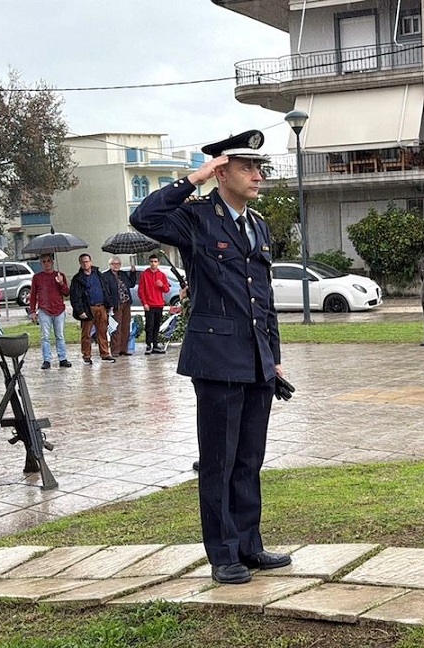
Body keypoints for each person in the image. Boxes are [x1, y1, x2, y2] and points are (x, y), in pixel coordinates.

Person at [131, 129, 290, 585]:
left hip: (257, 359)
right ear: (222, 172)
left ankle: (249, 545)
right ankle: (223, 554)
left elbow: (263, 299)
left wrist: (274, 357)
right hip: (217, 359)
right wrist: (194, 179)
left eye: (258, 167)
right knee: (219, 461)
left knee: (249, 460)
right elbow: (144, 217)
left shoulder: (257, 225)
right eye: (246, 167)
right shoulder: (196, 218)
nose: (257, 175)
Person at [68, 253, 117, 364]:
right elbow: (75, 297)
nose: (85, 264)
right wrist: (80, 311)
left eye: (87, 261)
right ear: (80, 263)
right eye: (83, 262)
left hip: (101, 307)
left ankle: (105, 354)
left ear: (91, 262)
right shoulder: (77, 279)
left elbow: (106, 289)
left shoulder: (98, 274)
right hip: (88, 308)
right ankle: (86, 355)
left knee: (102, 332)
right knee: (86, 334)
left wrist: (109, 304)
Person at [29, 253, 72, 370]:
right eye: (44, 261)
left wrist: (61, 283)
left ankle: (62, 358)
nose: (46, 263)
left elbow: (67, 293)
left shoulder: (60, 275)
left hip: (59, 310)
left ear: (52, 262)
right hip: (44, 310)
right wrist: (32, 311)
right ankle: (46, 360)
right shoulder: (37, 277)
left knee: (60, 335)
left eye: (48, 261)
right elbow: (33, 295)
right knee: (45, 336)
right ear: (41, 264)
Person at [104, 257, 137, 357]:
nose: (116, 265)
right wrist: (109, 305)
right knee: (116, 328)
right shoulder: (106, 276)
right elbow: (106, 292)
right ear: (110, 265)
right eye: (114, 264)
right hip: (115, 305)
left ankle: (124, 349)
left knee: (125, 327)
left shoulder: (123, 274)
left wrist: (133, 273)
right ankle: (115, 350)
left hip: (126, 303)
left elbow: (131, 284)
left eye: (118, 263)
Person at [138, 254, 171, 355]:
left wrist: (162, 285)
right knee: (149, 326)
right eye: (152, 261)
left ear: (158, 263)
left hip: (159, 304)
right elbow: (141, 291)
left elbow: (167, 289)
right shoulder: (144, 274)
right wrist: (144, 303)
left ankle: (155, 345)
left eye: (155, 262)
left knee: (157, 325)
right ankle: (149, 345)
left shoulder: (162, 275)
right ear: (149, 262)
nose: (153, 263)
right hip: (149, 304)